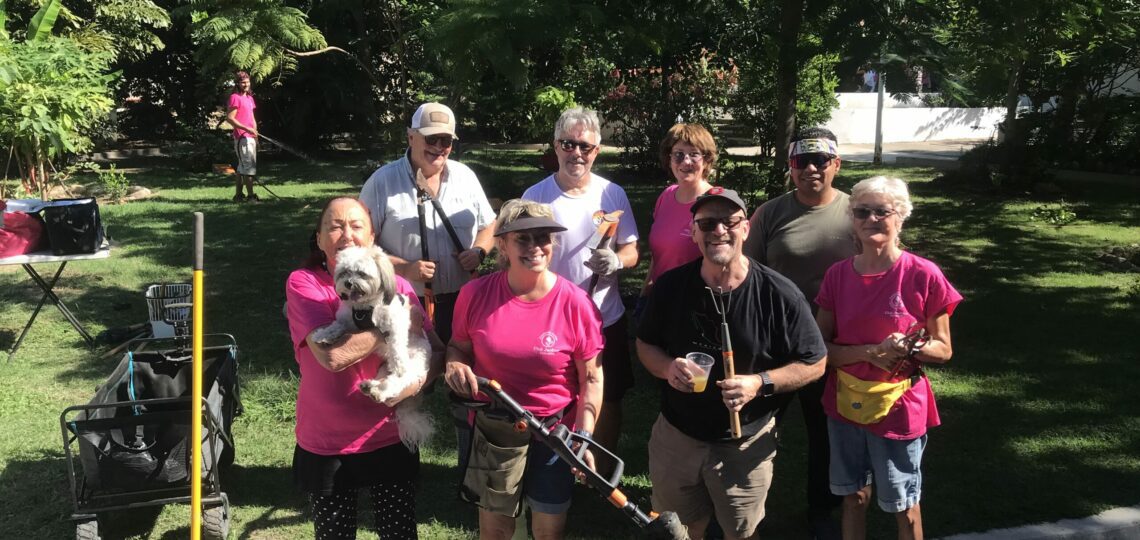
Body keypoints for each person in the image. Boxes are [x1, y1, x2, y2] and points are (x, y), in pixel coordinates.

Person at [637, 187, 828, 540]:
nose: (719, 231)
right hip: (677, 437)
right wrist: (666, 368)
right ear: (694, 233)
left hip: (744, 444)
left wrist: (759, 383)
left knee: (741, 533)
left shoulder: (778, 293)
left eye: (729, 222)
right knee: (677, 530)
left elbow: (815, 362)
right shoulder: (671, 286)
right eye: (707, 224)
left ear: (746, 228)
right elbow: (645, 343)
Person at [285, 197, 446, 539]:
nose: (347, 234)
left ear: (372, 238)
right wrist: (391, 324)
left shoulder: (399, 286)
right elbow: (332, 358)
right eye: (335, 226)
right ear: (319, 238)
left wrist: (409, 386)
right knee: (335, 534)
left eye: (356, 226)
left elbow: (436, 353)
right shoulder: (304, 284)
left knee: (399, 533)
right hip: (328, 439)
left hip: (388, 435)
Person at [444, 199, 604, 540]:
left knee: (547, 531)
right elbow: (458, 346)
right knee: (496, 530)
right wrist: (454, 364)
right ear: (502, 245)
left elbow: (592, 377)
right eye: (522, 238)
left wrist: (583, 437)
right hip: (494, 431)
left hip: (555, 434)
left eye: (543, 237)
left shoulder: (576, 304)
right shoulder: (474, 294)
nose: (535, 247)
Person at [814, 177, 962, 540]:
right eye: (862, 212)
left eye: (882, 211)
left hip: (899, 408)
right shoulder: (836, 276)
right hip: (845, 403)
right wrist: (870, 352)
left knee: (904, 504)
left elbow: (943, 349)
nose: (871, 219)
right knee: (852, 497)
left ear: (902, 216)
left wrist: (909, 347)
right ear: (852, 219)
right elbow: (819, 350)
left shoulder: (923, 274)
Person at [743, 127, 855, 538]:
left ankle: (821, 511)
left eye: (820, 160)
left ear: (836, 164)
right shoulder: (770, 213)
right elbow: (747, 273)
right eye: (801, 161)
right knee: (752, 428)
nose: (811, 169)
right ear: (790, 167)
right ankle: (740, 507)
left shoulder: (856, 211)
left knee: (825, 433)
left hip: (830, 345)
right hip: (774, 342)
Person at [521, 107, 638, 475]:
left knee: (609, 397)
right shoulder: (536, 196)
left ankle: (599, 470)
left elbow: (632, 249)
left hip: (605, 318)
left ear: (596, 151)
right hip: (551, 319)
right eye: (569, 144)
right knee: (553, 397)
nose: (577, 153)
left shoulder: (612, 193)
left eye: (585, 147)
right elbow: (521, 255)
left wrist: (617, 261)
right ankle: (552, 469)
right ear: (556, 146)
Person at [360, 102, 497, 344]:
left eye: (446, 140)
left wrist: (479, 251)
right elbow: (362, 247)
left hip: (464, 299)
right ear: (411, 137)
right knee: (417, 366)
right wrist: (405, 269)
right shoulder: (381, 183)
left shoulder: (465, 177)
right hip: (405, 303)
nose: (438, 147)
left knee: (463, 364)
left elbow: (490, 225)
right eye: (431, 139)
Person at [637, 123, 717, 318]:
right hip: (659, 298)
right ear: (669, 158)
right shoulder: (667, 196)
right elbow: (660, 254)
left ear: (706, 159)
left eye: (694, 154)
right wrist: (646, 289)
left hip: (694, 306)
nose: (686, 161)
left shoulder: (715, 202)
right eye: (678, 154)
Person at [227, 70, 259, 202]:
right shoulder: (235, 97)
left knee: (241, 168)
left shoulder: (249, 98)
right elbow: (230, 118)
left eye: (247, 82)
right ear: (237, 84)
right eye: (243, 82)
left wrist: (256, 136)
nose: (246, 84)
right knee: (248, 168)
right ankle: (251, 197)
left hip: (250, 137)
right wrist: (246, 128)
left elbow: (252, 118)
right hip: (242, 138)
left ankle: (238, 196)